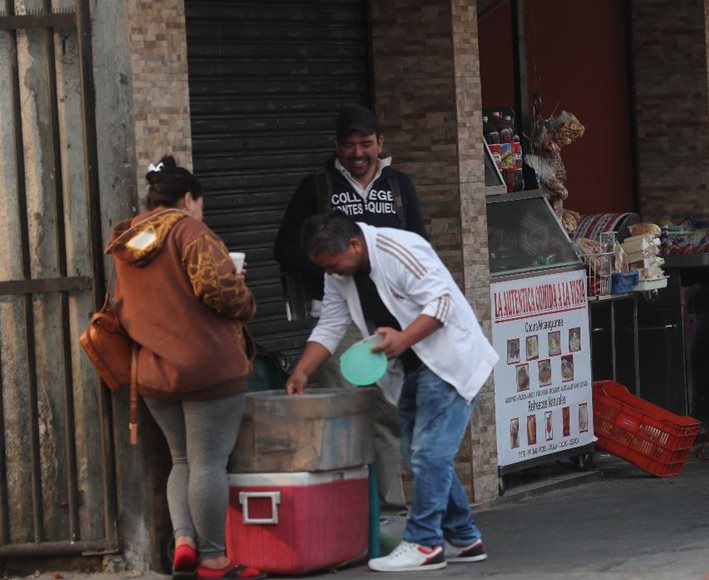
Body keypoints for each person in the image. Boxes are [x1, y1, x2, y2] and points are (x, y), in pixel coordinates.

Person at [284, 211, 497, 572]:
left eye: (335, 266)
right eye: (327, 269)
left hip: (446, 362)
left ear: (354, 245)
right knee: (420, 457)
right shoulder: (339, 272)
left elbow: (442, 303)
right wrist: (302, 371)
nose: (333, 274)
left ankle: (425, 542)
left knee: (430, 454)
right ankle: (463, 537)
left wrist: (404, 338)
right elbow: (332, 323)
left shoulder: (399, 249)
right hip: (408, 369)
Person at [108, 157, 263, 580]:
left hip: (154, 372)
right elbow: (217, 289)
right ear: (189, 199)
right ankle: (214, 559)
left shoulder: (127, 241)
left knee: (182, 460)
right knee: (210, 462)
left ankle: (184, 544)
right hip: (208, 369)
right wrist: (243, 291)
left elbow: (122, 305)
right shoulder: (189, 231)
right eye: (201, 203)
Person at [273, 105, 426, 514]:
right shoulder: (318, 189)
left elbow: (421, 246)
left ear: (380, 143)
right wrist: (337, 265)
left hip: (391, 323)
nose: (357, 152)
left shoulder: (398, 186)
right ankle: (346, 512)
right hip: (339, 319)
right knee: (342, 413)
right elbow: (285, 248)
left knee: (389, 417)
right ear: (337, 146)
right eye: (348, 144)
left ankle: (390, 510)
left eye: (365, 143)